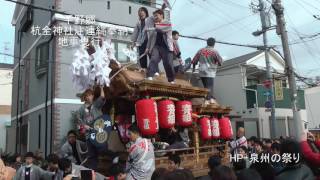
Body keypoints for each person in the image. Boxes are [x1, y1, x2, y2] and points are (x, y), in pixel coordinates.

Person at [76, 87, 117, 170]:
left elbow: (102, 97)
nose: (89, 97)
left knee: (103, 150)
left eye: (90, 95)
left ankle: (114, 157)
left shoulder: (96, 105)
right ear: (85, 97)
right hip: (89, 135)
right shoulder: (80, 110)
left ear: (93, 96)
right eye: (87, 96)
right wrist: (84, 126)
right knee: (92, 156)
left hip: (99, 132)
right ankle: (93, 173)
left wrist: (102, 88)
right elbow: (79, 123)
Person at [145, 9, 175, 83]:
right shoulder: (155, 25)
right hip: (156, 47)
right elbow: (150, 38)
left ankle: (171, 79)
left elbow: (160, 29)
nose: (155, 17)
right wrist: (147, 48)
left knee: (167, 63)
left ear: (161, 15)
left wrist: (149, 28)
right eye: (154, 16)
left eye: (156, 15)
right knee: (153, 59)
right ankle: (149, 76)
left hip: (166, 47)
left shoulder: (168, 23)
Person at [191, 37, 223, 104]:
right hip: (210, 70)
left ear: (207, 42)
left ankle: (210, 98)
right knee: (210, 85)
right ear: (214, 44)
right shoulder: (214, 51)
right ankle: (208, 100)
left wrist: (193, 70)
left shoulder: (200, 50)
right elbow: (220, 62)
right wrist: (217, 63)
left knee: (206, 86)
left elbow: (194, 61)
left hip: (201, 70)